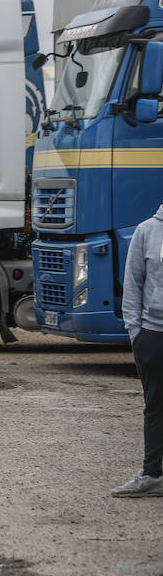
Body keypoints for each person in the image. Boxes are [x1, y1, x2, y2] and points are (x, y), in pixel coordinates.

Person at [114, 202, 163, 497]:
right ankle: (153, 474)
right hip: (153, 334)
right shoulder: (146, 231)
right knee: (155, 407)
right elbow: (132, 284)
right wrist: (136, 333)